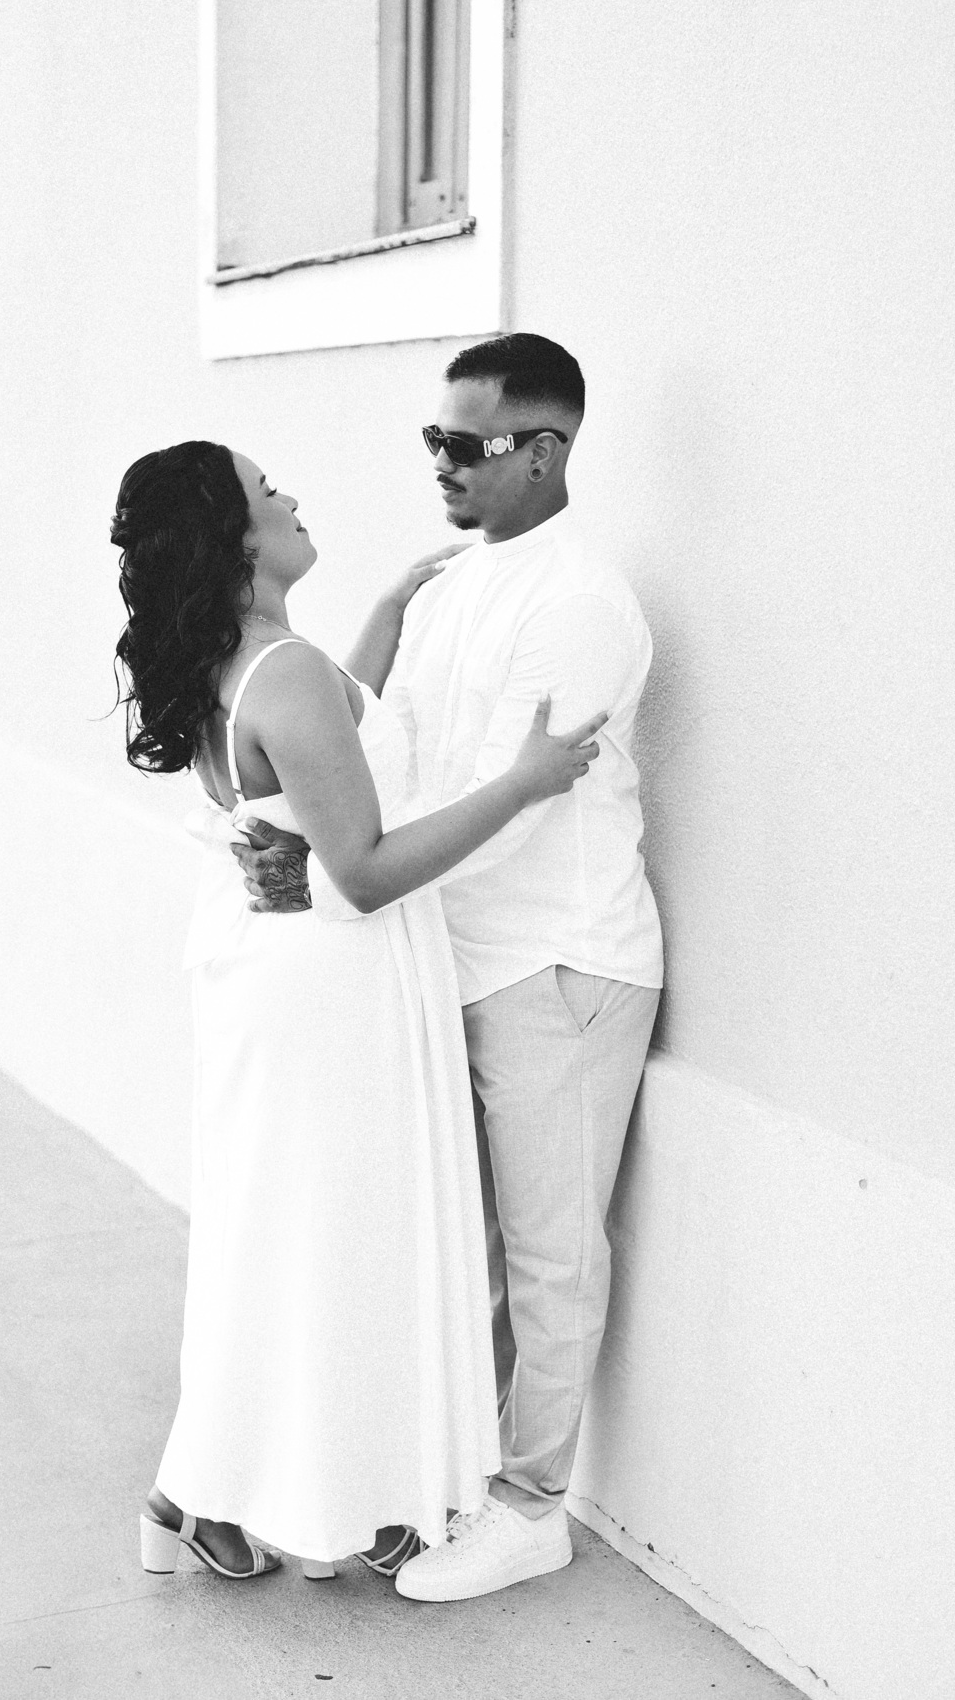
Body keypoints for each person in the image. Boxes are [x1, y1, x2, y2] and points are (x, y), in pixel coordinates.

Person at [109, 439, 606, 1584]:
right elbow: (368, 867)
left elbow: (337, 741)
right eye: (266, 490)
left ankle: (203, 1500)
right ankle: (260, 1496)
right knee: (339, 1245)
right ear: (235, 537)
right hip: (335, 989)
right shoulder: (281, 672)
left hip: (286, 981)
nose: (290, 495)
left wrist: (385, 610)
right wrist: (522, 783)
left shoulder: (245, 663)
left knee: (286, 1242)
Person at [234, 334, 664, 1603]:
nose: (441, 463)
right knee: (454, 1248)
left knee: (549, 1253)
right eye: (434, 438)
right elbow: (394, 755)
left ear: (543, 452)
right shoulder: (450, 588)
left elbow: (512, 804)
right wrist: (317, 836)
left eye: (466, 444)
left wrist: (340, 872)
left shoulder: (579, 605)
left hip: (556, 961)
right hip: (445, 954)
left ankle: (532, 1508)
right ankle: (457, 1478)